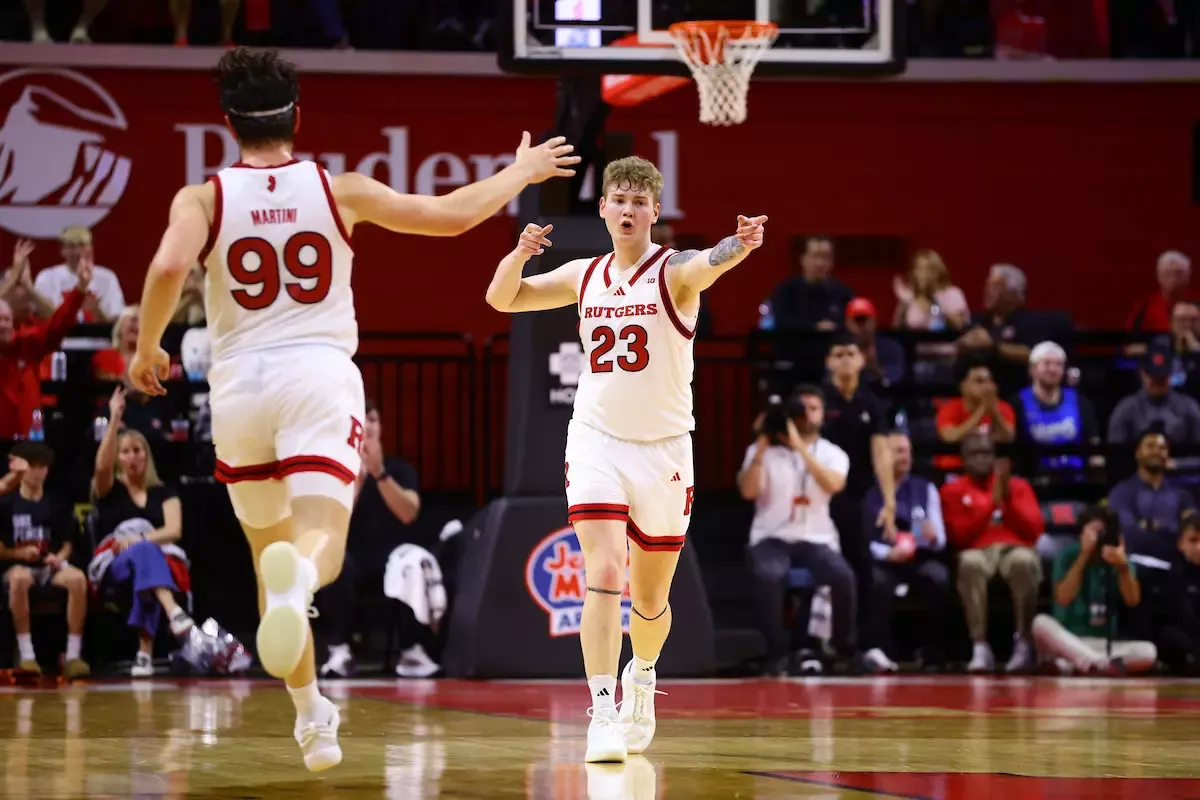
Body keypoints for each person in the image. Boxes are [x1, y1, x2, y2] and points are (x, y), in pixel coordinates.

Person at [126, 47, 579, 772]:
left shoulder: (202, 200)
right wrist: (520, 173)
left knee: (268, 554)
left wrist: (148, 347)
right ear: (298, 119)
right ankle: (300, 589)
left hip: (240, 389)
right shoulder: (339, 191)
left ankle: (312, 716)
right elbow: (448, 217)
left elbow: (166, 268)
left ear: (228, 125)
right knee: (318, 548)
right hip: (317, 376)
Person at [484, 155, 766, 763]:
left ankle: (642, 674)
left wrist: (739, 245)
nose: (629, 209)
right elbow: (501, 298)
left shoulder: (674, 273)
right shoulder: (583, 275)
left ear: (654, 212)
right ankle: (603, 711)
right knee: (605, 571)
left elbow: (709, 262)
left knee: (652, 599)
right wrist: (520, 255)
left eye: (641, 201)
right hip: (597, 442)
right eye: (620, 199)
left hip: (664, 450)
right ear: (604, 208)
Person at [739, 388, 854, 676]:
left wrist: (800, 447)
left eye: (813, 408)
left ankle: (840, 650)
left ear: (823, 415)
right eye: (801, 410)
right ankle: (777, 654)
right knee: (768, 575)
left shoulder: (832, 453)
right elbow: (748, 491)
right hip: (771, 537)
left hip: (816, 538)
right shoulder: (761, 452)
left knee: (842, 577)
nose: (807, 415)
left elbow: (833, 485)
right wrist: (762, 442)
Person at [940, 433, 1044, 673]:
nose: (981, 459)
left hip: (1014, 547)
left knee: (1023, 561)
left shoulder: (1018, 486)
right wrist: (991, 505)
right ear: (964, 460)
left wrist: (1008, 500)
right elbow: (960, 537)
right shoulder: (952, 490)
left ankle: (1023, 643)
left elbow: (1034, 531)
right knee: (969, 563)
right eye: (974, 454)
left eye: (987, 453)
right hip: (977, 549)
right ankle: (980, 646)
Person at [1032, 506, 1157, 675]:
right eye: (1095, 532)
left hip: (1102, 644)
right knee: (1040, 623)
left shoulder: (1119, 560)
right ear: (1081, 534)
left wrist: (1123, 567)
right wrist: (1084, 556)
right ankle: (1098, 664)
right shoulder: (1067, 556)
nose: (1099, 537)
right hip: (1068, 640)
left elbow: (1132, 600)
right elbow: (1063, 598)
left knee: (1148, 651)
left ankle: (1083, 665)